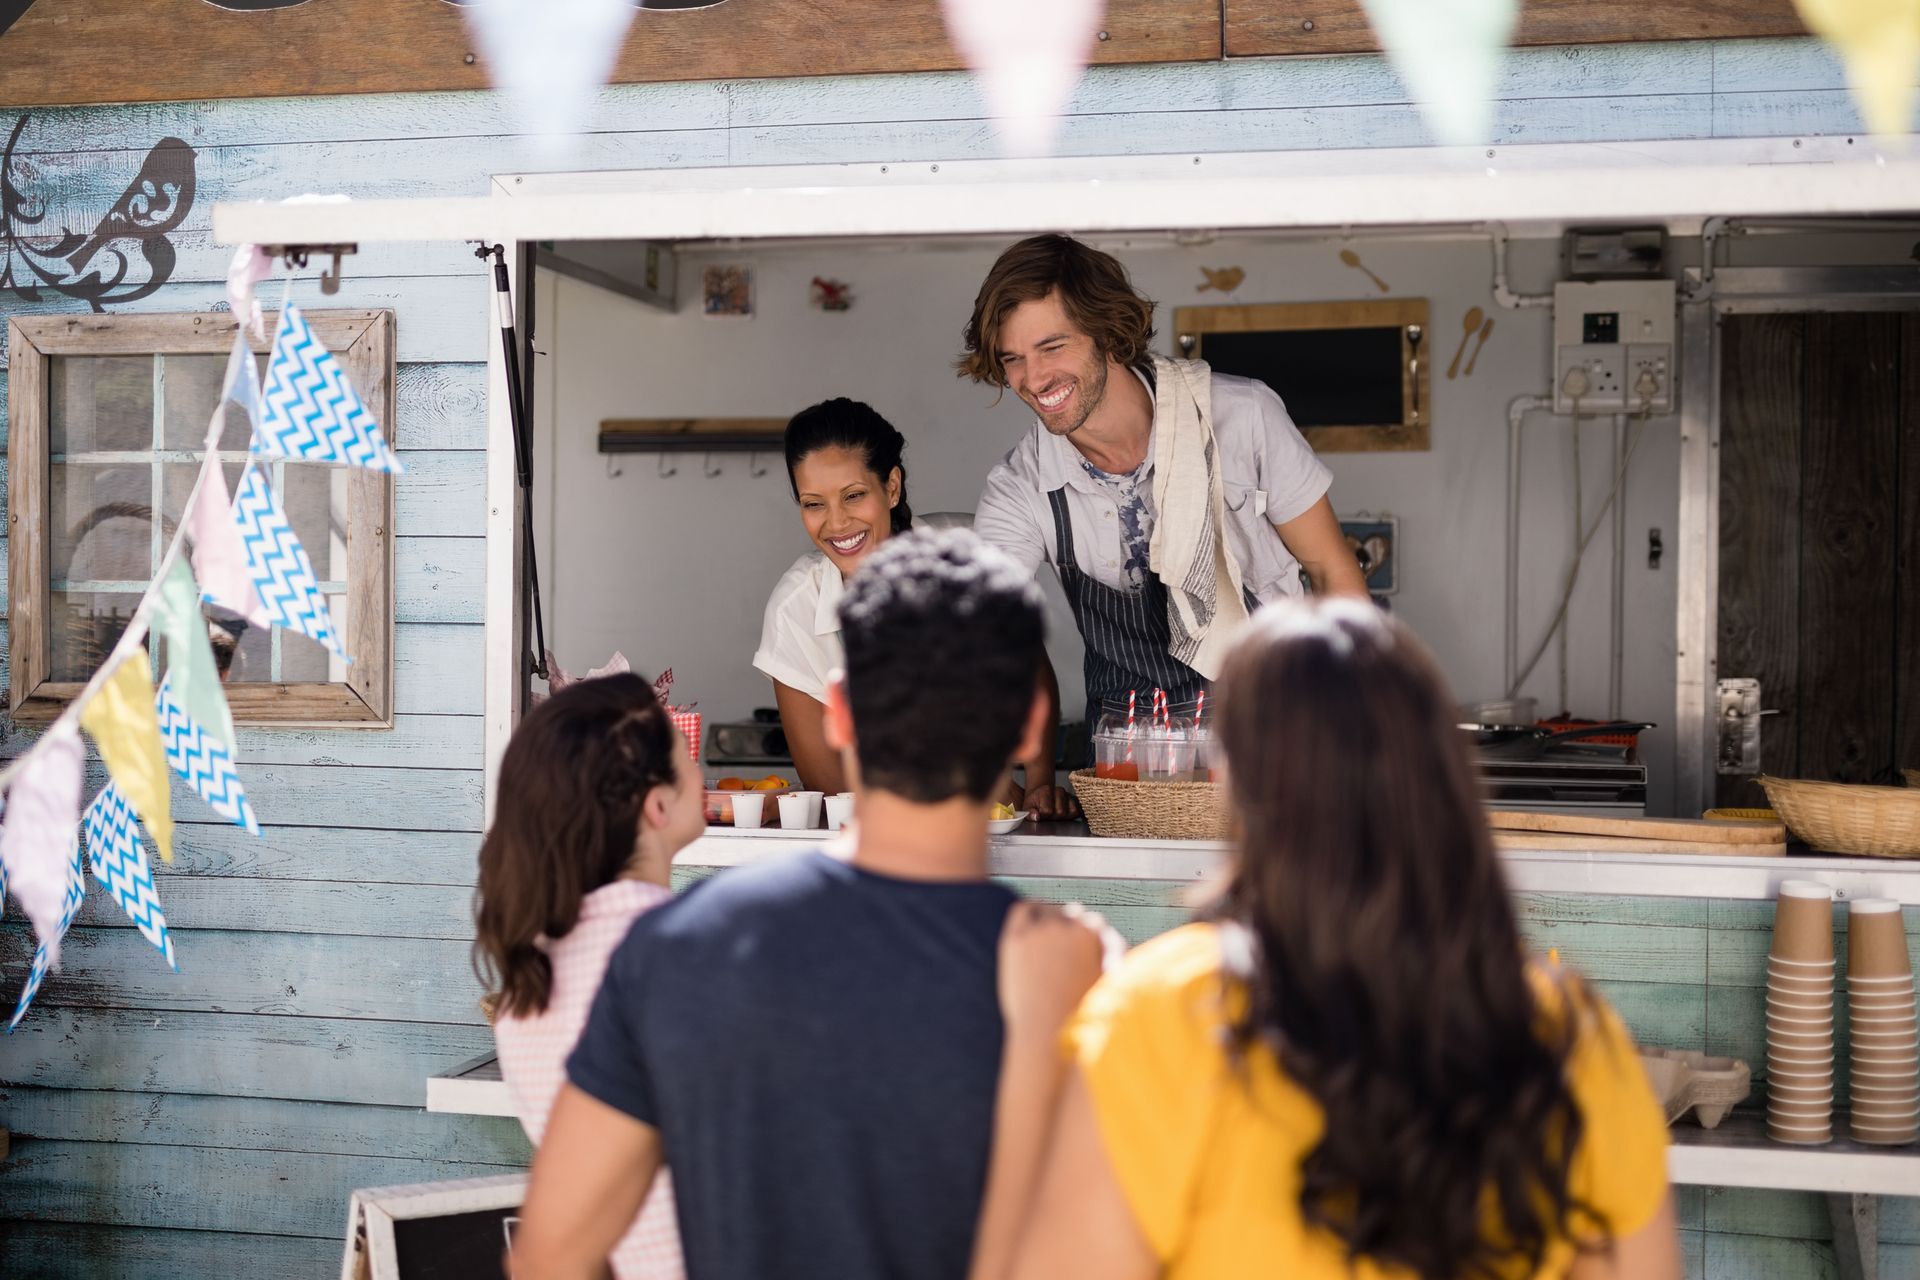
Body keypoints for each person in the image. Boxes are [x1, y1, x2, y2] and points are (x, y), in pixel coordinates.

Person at [977, 600, 1681, 1280]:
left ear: (1241, 790)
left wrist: (1039, 1035)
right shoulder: (1568, 1043)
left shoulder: (1164, 1014)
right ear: (1442, 780)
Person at [510, 528, 1096, 1280]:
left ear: (839, 711)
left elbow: (550, 1258)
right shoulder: (1077, 981)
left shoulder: (680, 949)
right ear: (1032, 722)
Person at [962, 234, 1369, 736]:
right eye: (1013, 358)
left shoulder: (1242, 417)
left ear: (1107, 332)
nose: (1034, 378)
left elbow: (1331, 570)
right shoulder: (1021, 487)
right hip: (1127, 756)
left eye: (1053, 347)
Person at [475, 672, 707, 1280]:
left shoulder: (525, 983)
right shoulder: (687, 954)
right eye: (688, 758)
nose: (699, 769)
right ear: (657, 805)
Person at [753, 399, 1061, 811]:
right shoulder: (796, 609)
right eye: (814, 503)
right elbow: (830, 785)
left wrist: (1040, 785)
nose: (836, 522)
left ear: (892, 486)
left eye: (853, 495)